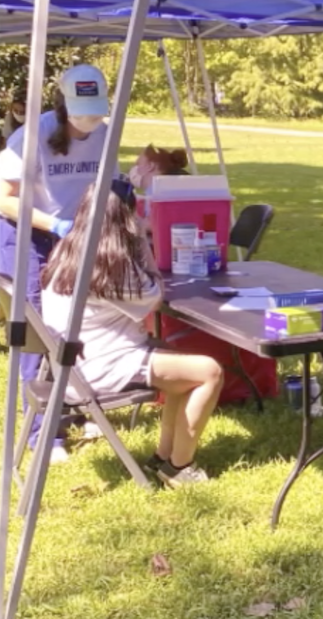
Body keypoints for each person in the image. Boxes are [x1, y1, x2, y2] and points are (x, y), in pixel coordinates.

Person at [41, 180, 225, 488]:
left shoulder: (68, 249)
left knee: (181, 366)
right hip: (101, 368)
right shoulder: (111, 264)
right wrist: (142, 240)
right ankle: (181, 467)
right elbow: (155, 294)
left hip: (73, 367)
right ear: (126, 218)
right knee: (210, 372)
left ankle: (163, 457)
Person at [0, 64, 117, 461]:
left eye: (96, 111)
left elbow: (109, 185)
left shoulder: (105, 132)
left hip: (76, 237)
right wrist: (54, 224)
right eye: (82, 112)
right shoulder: (29, 136)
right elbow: (4, 198)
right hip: (27, 237)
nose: (90, 122)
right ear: (64, 105)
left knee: (78, 323)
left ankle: (75, 407)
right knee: (41, 334)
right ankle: (42, 435)